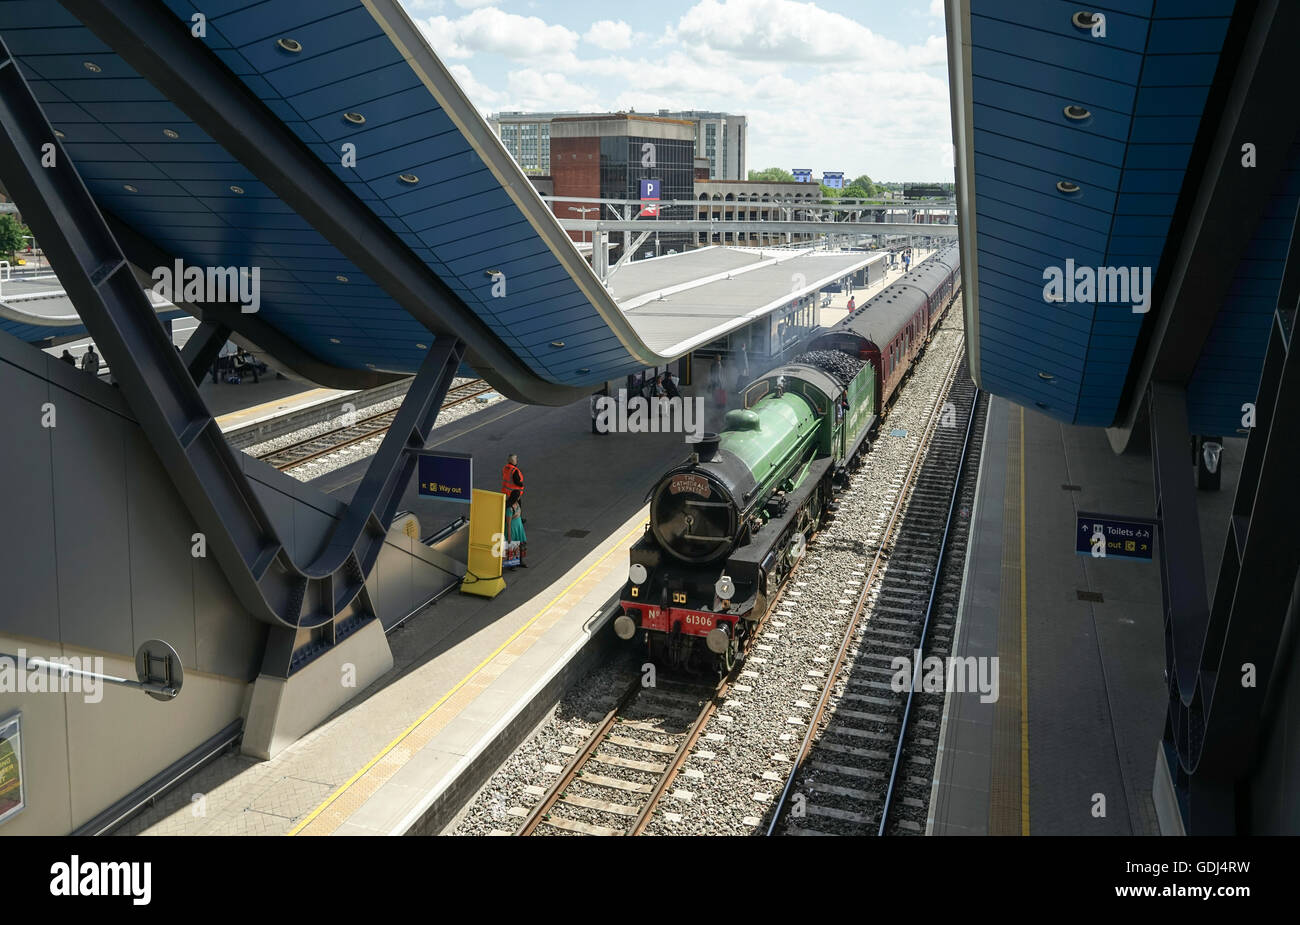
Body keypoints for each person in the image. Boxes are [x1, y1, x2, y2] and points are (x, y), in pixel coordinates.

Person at [505, 500, 527, 569]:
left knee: (521, 545)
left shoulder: (517, 503)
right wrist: (509, 535)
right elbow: (508, 523)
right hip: (513, 528)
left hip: (519, 527)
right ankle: (511, 564)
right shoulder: (509, 509)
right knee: (512, 545)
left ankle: (520, 561)